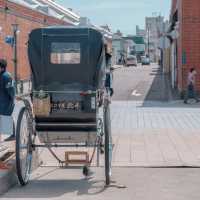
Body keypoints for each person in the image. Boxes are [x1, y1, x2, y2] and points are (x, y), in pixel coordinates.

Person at [0, 59, 15, 141]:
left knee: (6, 117)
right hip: (2, 101)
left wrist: (12, 99)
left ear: (2, 67)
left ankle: (13, 135)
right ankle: (12, 135)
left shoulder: (6, 76)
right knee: (4, 118)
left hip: (6, 102)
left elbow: (11, 90)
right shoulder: (2, 75)